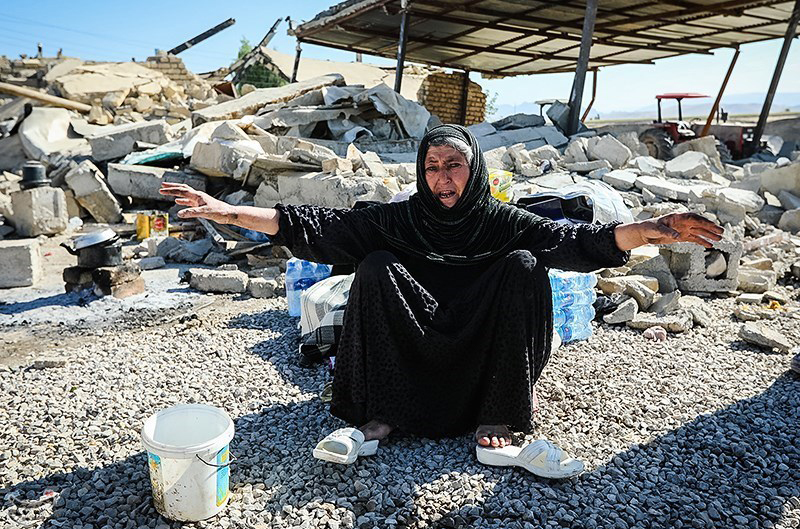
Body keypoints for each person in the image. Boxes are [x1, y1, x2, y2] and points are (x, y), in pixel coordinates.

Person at [160, 125, 723, 476]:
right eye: (432, 167)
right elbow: (317, 227)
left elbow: (578, 243)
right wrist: (226, 212)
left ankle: (495, 425)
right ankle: (377, 419)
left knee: (526, 266)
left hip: (484, 340)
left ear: (473, 169)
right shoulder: (401, 216)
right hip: (414, 334)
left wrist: (650, 228)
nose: (442, 177)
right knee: (375, 264)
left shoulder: (502, 219)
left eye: (454, 165)